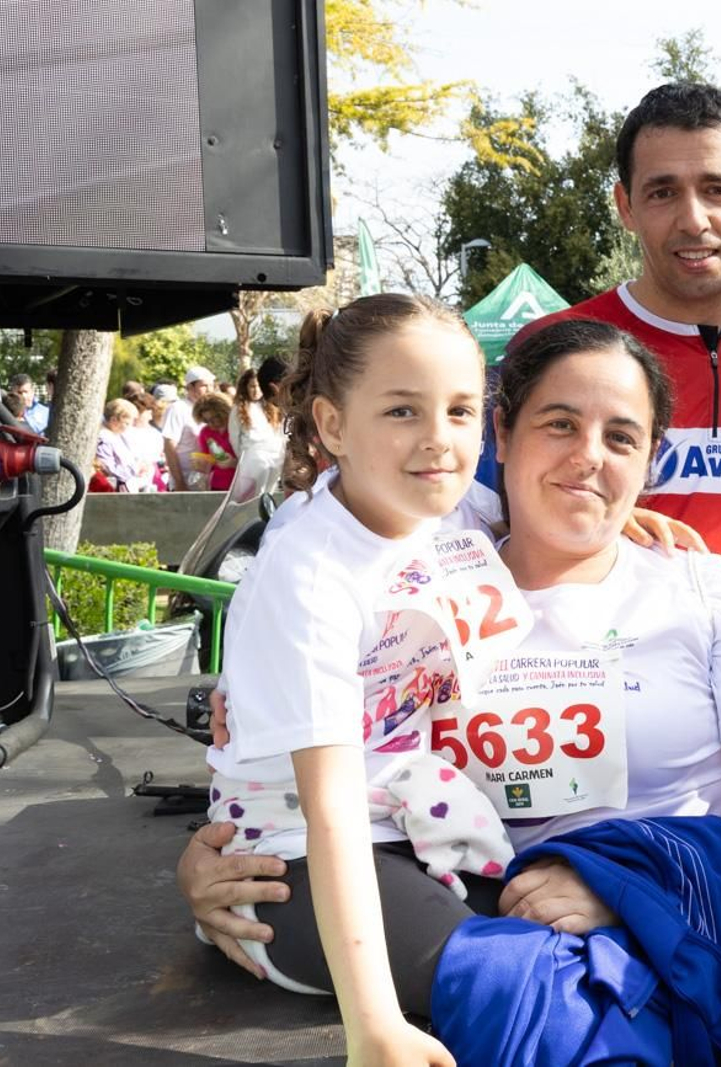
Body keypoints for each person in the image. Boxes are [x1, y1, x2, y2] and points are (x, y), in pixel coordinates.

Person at [179, 318, 721, 1043]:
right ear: (504, 433)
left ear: (653, 458)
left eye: (621, 438)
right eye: (559, 425)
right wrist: (208, 859)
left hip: (678, 932)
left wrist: (632, 886)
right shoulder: (425, 564)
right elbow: (315, 768)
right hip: (487, 921)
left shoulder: (706, 590)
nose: (588, 457)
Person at [208, 293, 509, 1066]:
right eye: (403, 411)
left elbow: (560, 522)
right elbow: (330, 810)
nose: (439, 439)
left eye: (461, 410)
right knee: (508, 979)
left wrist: (632, 526)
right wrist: (373, 1027)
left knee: (564, 938)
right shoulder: (309, 570)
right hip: (294, 858)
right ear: (333, 425)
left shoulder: (457, 511)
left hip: (418, 824)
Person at [512, 82, 721, 630]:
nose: (693, 220)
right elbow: (475, 521)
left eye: (716, 189)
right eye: (662, 192)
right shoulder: (553, 344)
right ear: (625, 205)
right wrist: (588, 512)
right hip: (595, 685)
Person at [159, 366, 215, 490]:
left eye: (211, 385)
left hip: (207, 482)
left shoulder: (213, 409)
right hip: (185, 481)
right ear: (190, 387)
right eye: (204, 386)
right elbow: (169, 446)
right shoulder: (178, 408)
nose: (210, 389)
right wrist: (180, 483)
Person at [229, 365, 285, 461]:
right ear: (245, 387)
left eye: (259, 386)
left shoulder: (271, 405)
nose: (256, 391)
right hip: (250, 460)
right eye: (252, 386)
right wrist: (242, 459)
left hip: (273, 459)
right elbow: (234, 438)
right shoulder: (238, 409)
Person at [94, 397, 148, 492]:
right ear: (114, 420)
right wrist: (136, 469)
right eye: (126, 423)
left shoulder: (116, 434)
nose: (129, 427)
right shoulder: (103, 438)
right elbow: (107, 469)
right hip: (113, 489)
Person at [193, 392, 237, 492]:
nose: (211, 424)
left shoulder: (236, 428)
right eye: (206, 420)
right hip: (216, 485)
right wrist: (201, 464)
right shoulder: (206, 432)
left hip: (239, 485)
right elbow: (207, 460)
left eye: (214, 419)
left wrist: (234, 463)